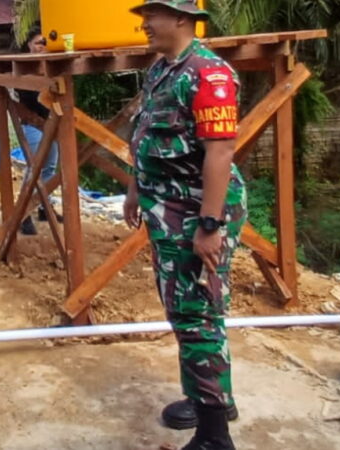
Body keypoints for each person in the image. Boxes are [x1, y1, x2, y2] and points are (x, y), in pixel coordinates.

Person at [124, 1, 247, 449]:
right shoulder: (163, 69)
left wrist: (210, 225)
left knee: (197, 315)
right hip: (166, 210)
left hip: (196, 212)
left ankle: (215, 433)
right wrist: (137, 191)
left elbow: (219, 153)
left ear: (179, 17)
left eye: (151, 15)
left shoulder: (208, 74)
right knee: (184, 309)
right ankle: (206, 397)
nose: (143, 24)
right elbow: (146, 136)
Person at [15, 26, 64, 236]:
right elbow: (27, 96)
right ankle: (24, 214)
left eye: (44, 43)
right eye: (37, 43)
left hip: (52, 122)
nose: (41, 47)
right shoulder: (25, 67)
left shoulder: (55, 66)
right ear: (29, 46)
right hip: (33, 123)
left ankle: (45, 207)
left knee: (49, 168)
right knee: (34, 169)